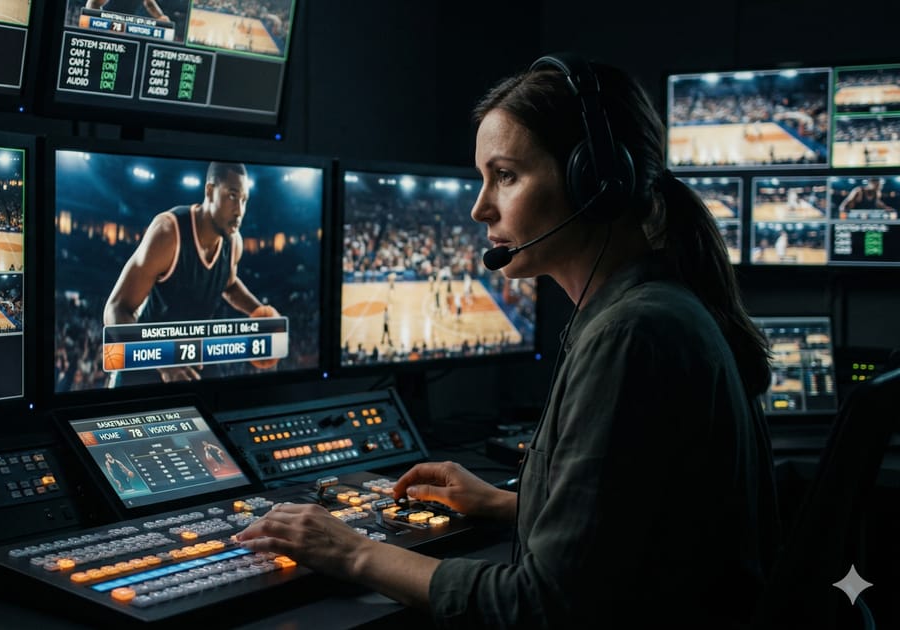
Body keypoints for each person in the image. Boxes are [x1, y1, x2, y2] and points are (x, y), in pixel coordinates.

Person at [235, 55, 780, 628]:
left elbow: (543, 605)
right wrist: (504, 504)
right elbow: (641, 527)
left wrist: (354, 551)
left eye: (507, 175)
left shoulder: (632, 334)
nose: (479, 207)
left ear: (593, 182)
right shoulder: (649, 309)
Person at [103, 161, 272, 385]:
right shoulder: (168, 234)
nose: (239, 210)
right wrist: (164, 359)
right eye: (232, 196)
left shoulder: (234, 243)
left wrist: (261, 312)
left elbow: (228, 284)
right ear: (210, 191)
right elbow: (115, 309)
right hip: (147, 363)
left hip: (194, 358)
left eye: (244, 200)